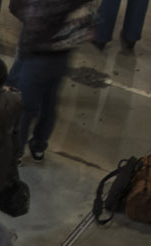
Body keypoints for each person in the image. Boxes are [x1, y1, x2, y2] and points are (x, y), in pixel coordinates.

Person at [8, 0, 91, 161]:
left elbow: (19, 9)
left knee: (25, 108)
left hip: (36, 53)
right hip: (62, 54)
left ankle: (15, 154)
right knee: (49, 103)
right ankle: (39, 147)